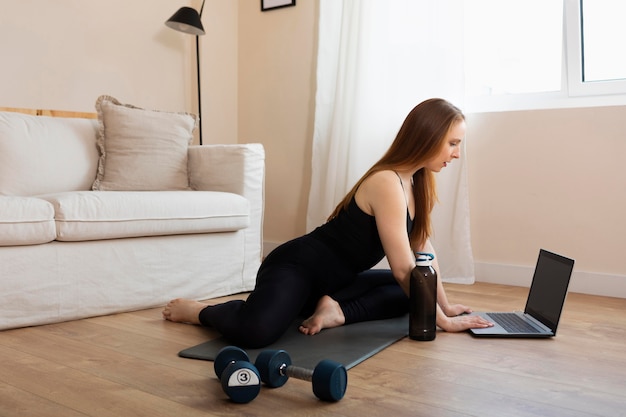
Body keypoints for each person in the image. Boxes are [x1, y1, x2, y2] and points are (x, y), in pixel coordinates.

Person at [163, 98, 493, 348]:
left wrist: (445, 306)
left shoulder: (417, 183)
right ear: (428, 136)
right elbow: (405, 270)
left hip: (337, 282)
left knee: (412, 295)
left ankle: (335, 310)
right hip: (296, 268)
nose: (456, 153)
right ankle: (200, 310)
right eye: (453, 143)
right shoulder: (386, 182)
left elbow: (423, 253)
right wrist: (443, 324)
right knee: (257, 332)